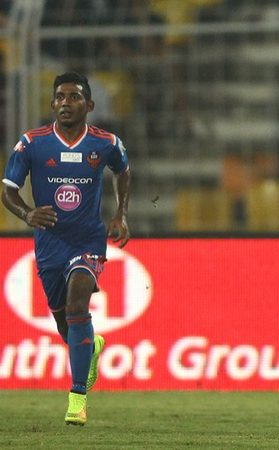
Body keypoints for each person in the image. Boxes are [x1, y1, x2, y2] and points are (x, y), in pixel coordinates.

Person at [1, 71, 130, 426]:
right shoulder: (32, 143)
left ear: (89, 105)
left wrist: (120, 213)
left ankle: (77, 398)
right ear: (52, 103)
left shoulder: (105, 143)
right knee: (65, 322)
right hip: (49, 244)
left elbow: (122, 170)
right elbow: (8, 191)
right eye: (59, 97)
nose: (65, 103)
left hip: (87, 239)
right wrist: (27, 213)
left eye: (74, 97)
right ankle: (91, 347)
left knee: (77, 303)